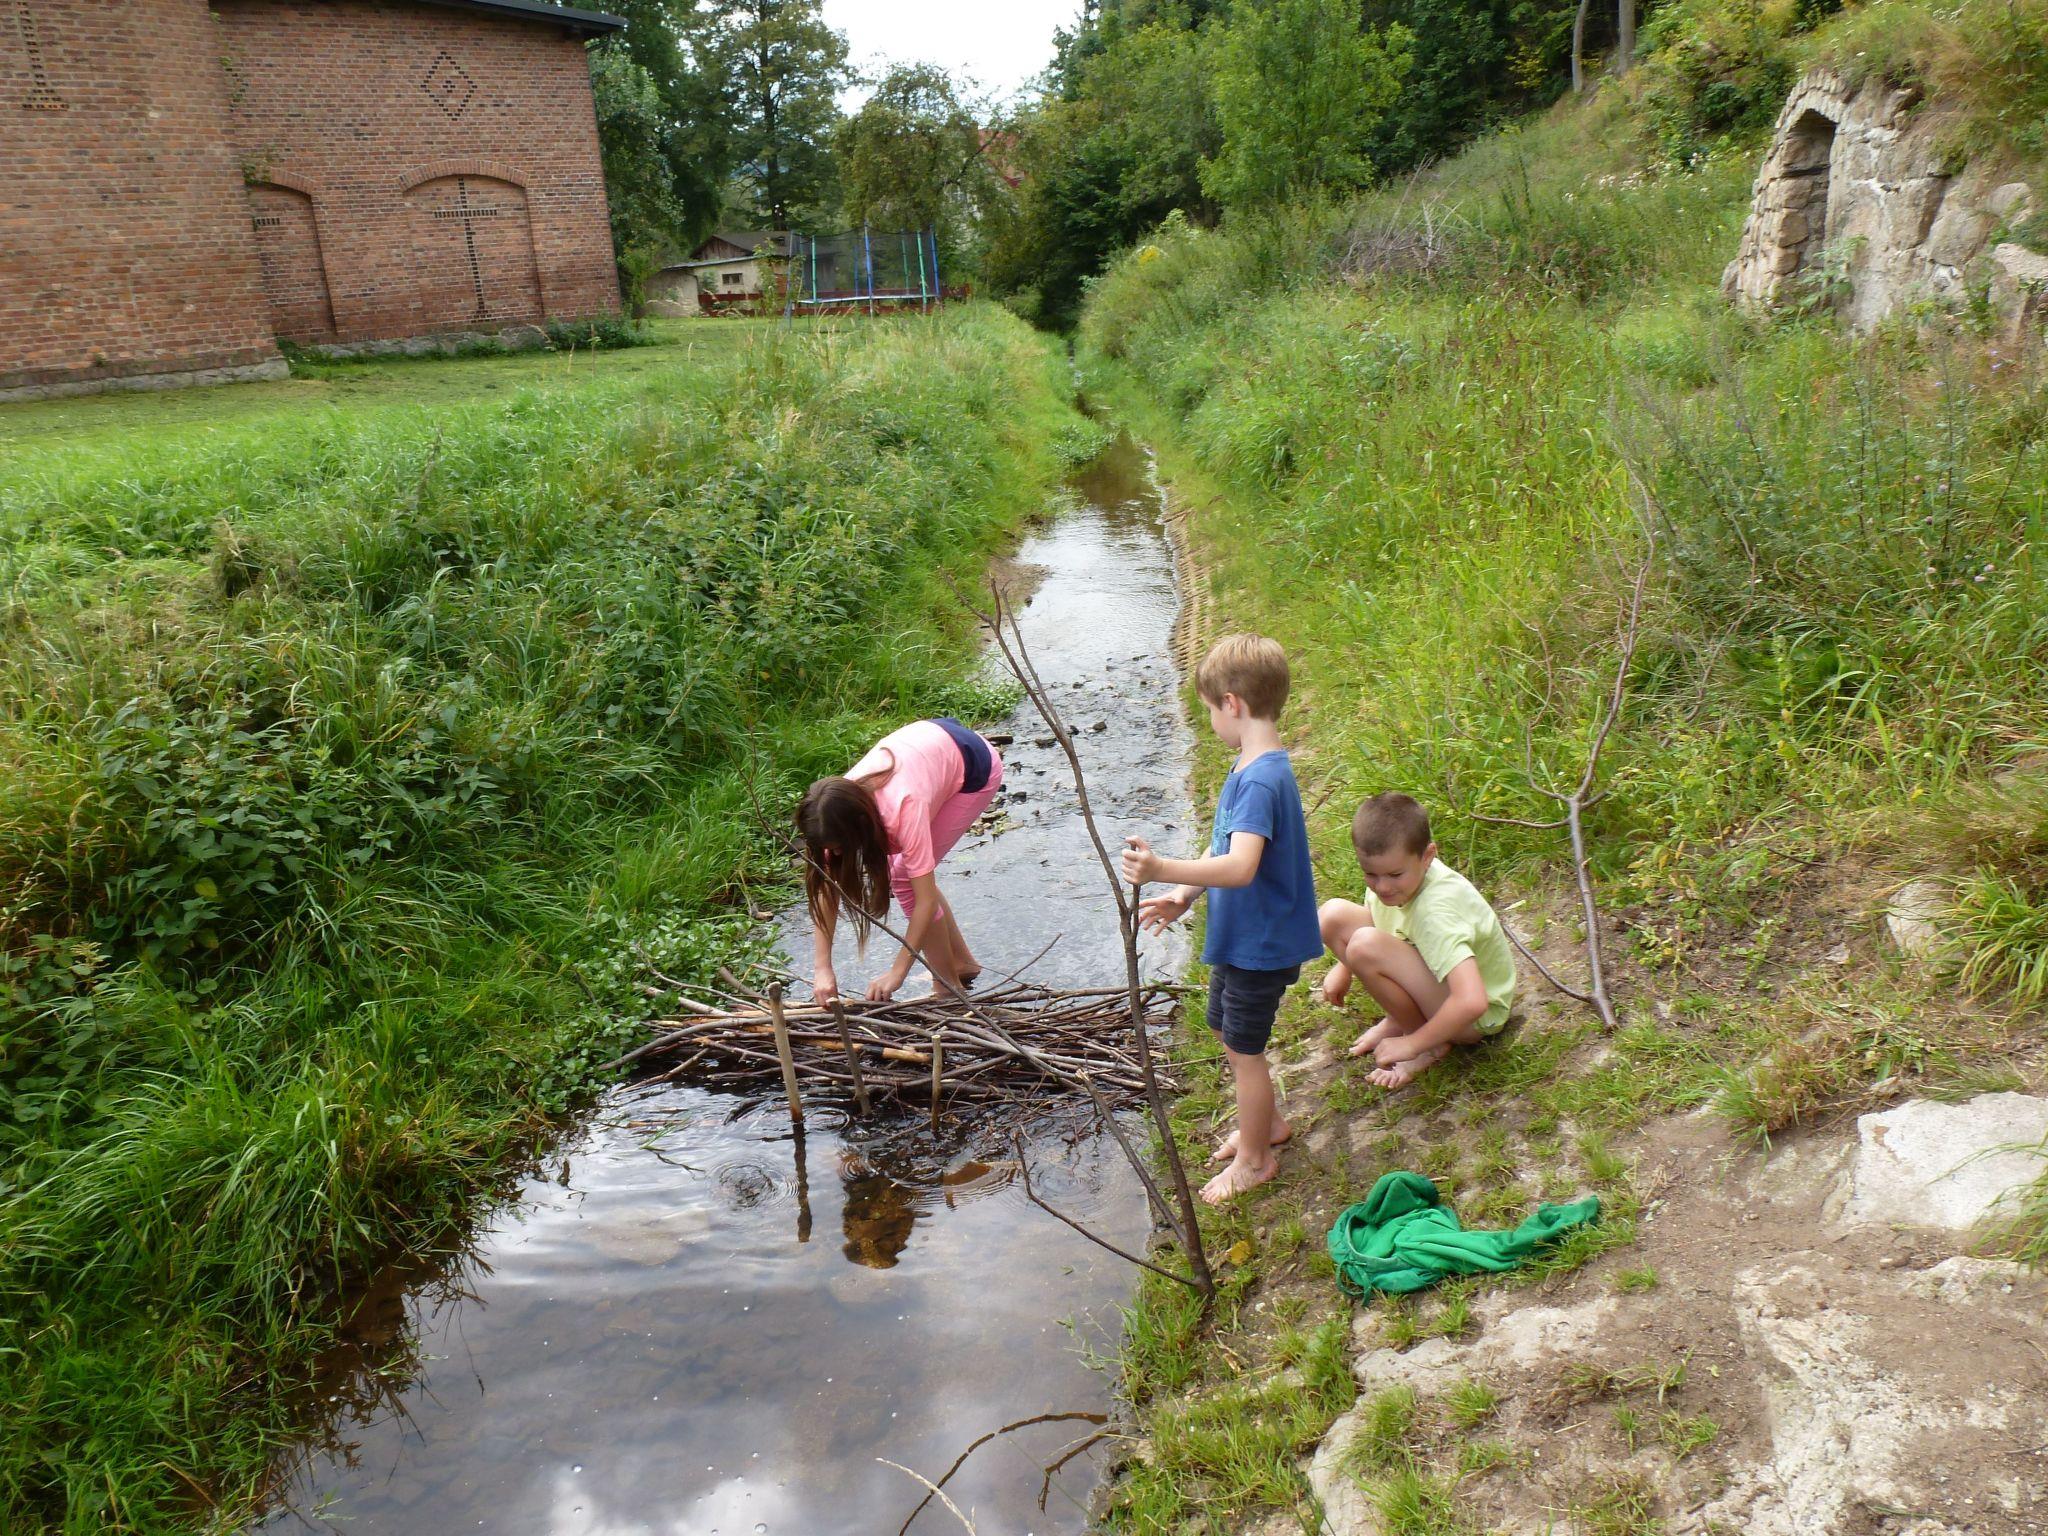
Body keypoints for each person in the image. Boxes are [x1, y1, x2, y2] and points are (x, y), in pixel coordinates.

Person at [1120, 635, 1322, 1204]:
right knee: (1223, 1029)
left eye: (1210, 709)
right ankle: (1267, 1125)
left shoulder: (1259, 780)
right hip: (1240, 938)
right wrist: (1184, 893)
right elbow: (1224, 844)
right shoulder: (1249, 766)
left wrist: (1160, 867)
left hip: (1261, 942)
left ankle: (1256, 1159)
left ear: (1232, 704)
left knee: (1245, 1050)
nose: (1211, 721)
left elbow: (1240, 865)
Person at [798, 717, 1003, 1006]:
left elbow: (925, 902)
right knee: (908, 876)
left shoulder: (904, 808)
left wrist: (897, 972)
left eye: (841, 847)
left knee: (906, 877)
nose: (839, 854)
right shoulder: (828, 812)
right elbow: (826, 886)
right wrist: (822, 968)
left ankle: (948, 987)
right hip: (928, 747)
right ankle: (961, 963)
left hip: (973, 766)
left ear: (860, 826)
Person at [1318, 792, 1517, 1089]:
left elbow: (1472, 1001)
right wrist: (1344, 967)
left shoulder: (1436, 912)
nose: (1382, 887)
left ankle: (1427, 1044)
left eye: (1394, 874)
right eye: (1370, 874)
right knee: (1331, 915)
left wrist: (1412, 1044)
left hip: (1474, 1018)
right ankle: (1400, 1019)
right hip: (1432, 974)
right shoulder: (1399, 879)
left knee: (1364, 946)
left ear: (1427, 856)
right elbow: (1381, 921)